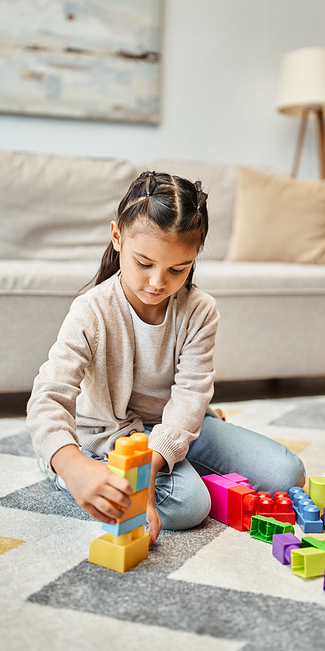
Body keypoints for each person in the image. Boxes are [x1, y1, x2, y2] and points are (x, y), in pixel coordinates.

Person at [26, 171, 305, 545]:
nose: (158, 282)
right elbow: (48, 395)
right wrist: (71, 466)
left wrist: (152, 466)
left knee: (287, 473)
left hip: (181, 426)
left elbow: (192, 396)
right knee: (189, 506)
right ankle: (67, 470)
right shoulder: (90, 312)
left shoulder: (200, 310)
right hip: (113, 436)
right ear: (117, 237)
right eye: (144, 263)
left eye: (178, 269)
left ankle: (176, 464)